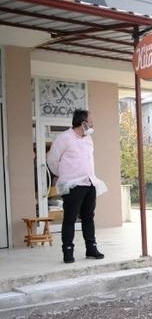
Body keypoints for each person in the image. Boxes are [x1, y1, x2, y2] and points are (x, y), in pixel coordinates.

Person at [46, 109, 107, 264]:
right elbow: (52, 160)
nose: (92, 123)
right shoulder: (64, 138)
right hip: (73, 185)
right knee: (69, 219)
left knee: (88, 218)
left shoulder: (88, 139)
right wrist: (65, 175)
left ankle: (91, 249)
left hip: (89, 183)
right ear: (83, 122)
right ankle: (68, 252)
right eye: (90, 120)